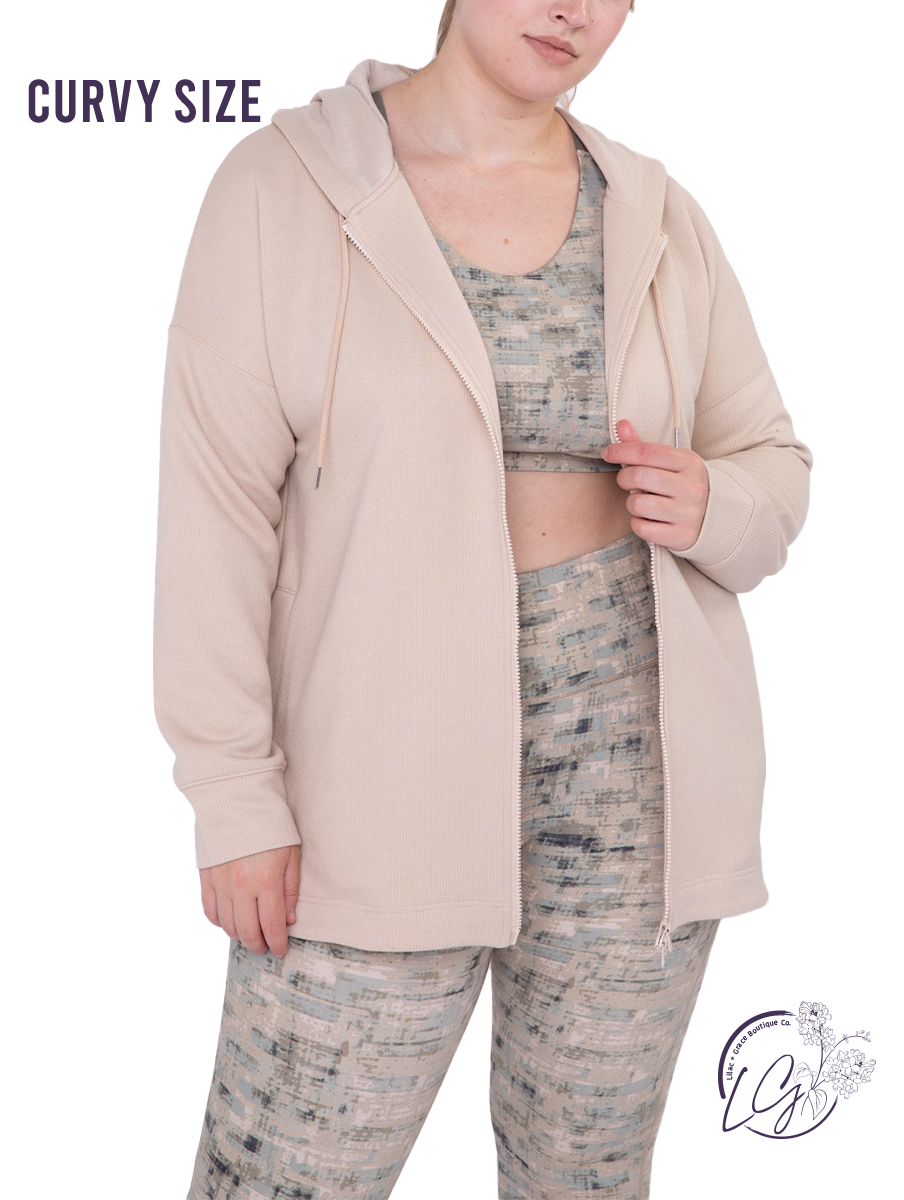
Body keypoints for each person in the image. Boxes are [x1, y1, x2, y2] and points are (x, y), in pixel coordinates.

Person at [152, 2, 813, 1197]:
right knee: (283, 1174)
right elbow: (215, 519)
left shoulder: (656, 209)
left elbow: (772, 462)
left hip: (639, 798)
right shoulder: (280, 189)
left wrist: (712, 498)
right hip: (371, 790)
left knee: (582, 1179)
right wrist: (233, 796)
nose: (575, 9)